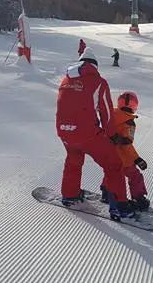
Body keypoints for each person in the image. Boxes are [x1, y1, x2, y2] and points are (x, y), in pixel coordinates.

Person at [56, 48, 137, 219]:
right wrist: (112, 135)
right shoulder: (99, 81)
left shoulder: (65, 80)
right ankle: (120, 206)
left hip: (64, 132)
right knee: (113, 164)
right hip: (87, 133)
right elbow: (106, 112)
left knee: (73, 160)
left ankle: (70, 195)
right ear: (95, 65)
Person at [99, 91, 150, 211]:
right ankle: (139, 198)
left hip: (109, 154)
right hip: (124, 158)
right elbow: (127, 144)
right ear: (134, 106)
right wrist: (137, 159)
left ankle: (106, 193)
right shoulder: (129, 122)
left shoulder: (110, 114)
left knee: (111, 172)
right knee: (134, 176)